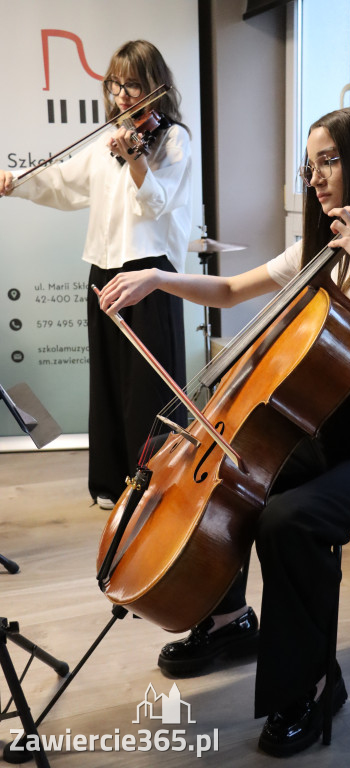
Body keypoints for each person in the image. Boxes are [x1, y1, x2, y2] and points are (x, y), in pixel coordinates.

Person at [98, 106, 350, 757]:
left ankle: (305, 687)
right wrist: (160, 278)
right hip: (324, 431)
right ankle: (227, 621)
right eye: (312, 164)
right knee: (234, 475)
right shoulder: (316, 254)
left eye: (330, 159)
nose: (317, 176)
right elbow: (227, 289)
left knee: (290, 519)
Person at [0, 40, 191, 510]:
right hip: (103, 272)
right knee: (107, 378)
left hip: (150, 275)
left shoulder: (171, 140)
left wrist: (135, 159)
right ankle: (113, 482)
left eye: (132, 84)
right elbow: (63, 183)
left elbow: (157, 204)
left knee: (148, 385)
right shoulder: (111, 137)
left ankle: (157, 483)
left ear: (153, 85)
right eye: (115, 83)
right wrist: (14, 181)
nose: (122, 94)